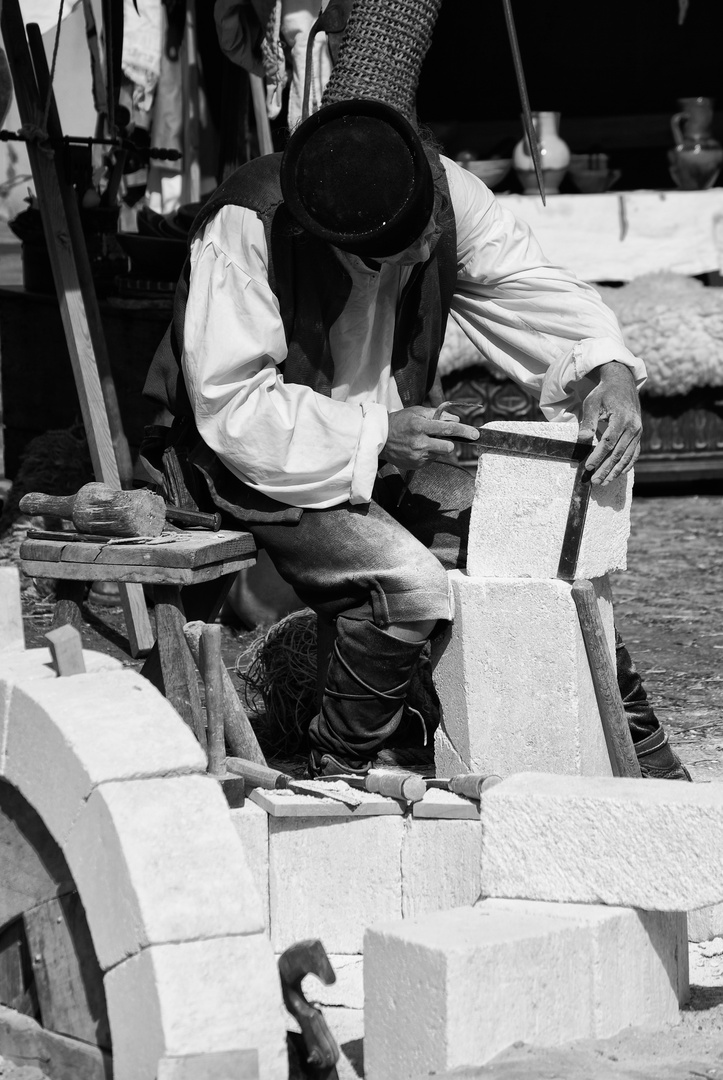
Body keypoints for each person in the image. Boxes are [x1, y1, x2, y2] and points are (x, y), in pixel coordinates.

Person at [143, 97, 690, 782]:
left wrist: (605, 364)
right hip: (250, 456)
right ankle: (343, 769)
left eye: (431, 222)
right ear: (341, 244)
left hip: (385, 443)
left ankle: (643, 768)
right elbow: (234, 406)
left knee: (533, 555)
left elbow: (524, 284)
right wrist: (374, 434)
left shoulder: (433, 183)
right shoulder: (247, 226)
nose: (430, 244)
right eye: (406, 247)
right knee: (407, 584)